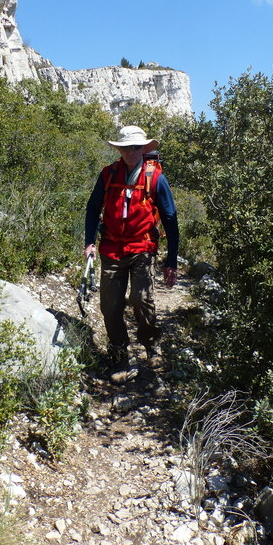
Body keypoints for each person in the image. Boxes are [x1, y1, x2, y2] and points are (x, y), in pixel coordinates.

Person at [84, 125, 178, 381]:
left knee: (140, 298)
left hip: (142, 246)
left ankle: (150, 344)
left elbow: (170, 217)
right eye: (127, 147)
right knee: (110, 305)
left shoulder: (155, 178)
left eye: (137, 147)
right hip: (112, 247)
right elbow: (93, 208)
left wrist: (171, 260)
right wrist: (89, 242)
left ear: (144, 149)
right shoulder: (108, 174)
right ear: (120, 149)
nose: (132, 151)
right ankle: (118, 353)